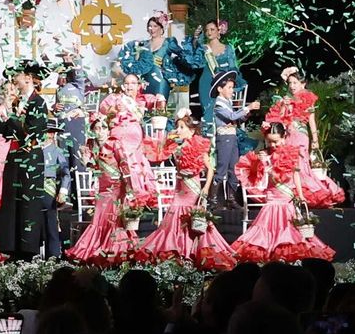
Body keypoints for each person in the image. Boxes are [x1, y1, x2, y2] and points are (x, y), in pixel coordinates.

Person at [136, 110, 238, 270]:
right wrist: (168, 139)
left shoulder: (199, 145)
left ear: (191, 130)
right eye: (178, 127)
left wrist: (205, 188)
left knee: (194, 221)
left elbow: (210, 169)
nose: (178, 130)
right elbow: (158, 154)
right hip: (179, 190)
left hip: (193, 189)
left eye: (182, 127)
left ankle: (192, 253)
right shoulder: (177, 147)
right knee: (174, 220)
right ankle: (176, 252)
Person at [232, 122, 336, 263]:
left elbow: (296, 176)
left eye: (276, 141)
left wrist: (300, 195)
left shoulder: (292, 153)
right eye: (269, 142)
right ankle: (270, 256)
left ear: (284, 137)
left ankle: (286, 258)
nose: (273, 145)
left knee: (290, 229)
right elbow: (258, 178)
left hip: (286, 198)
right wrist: (261, 162)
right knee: (266, 229)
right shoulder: (263, 155)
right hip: (272, 199)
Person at [0, 60, 50, 259]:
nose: (14, 79)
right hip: (15, 157)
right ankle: (12, 248)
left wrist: (9, 118)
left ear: (28, 77)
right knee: (11, 202)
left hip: (30, 158)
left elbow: (29, 132)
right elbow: (9, 133)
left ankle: (27, 250)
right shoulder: (17, 102)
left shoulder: (38, 102)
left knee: (28, 204)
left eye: (17, 74)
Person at [267, 66, 345, 207]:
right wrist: (284, 107)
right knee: (289, 163)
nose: (292, 86)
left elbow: (311, 120)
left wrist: (315, 139)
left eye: (295, 83)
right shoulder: (285, 100)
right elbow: (279, 120)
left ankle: (304, 193)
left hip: (301, 135)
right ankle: (291, 192)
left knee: (301, 164)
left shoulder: (308, 99)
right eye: (290, 83)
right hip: (288, 136)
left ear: (303, 84)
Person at [67, 115, 134, 266]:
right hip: (103, 188)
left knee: (115, 220)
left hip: (117, 188)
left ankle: (117, 251)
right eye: (97, 128)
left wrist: (129, 188)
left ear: (109, 130)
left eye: (103, 128)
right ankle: (98, 250)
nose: (100, 132)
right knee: (98, 220)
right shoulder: (91, 145)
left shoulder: (115, 144)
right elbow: (97, 170)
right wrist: (88, 164)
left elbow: (125, 166)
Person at [97, 72, 161, 205]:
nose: (129, 86)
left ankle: (137, 195)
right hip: (118, 137)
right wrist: (114, 109)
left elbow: (160, 106)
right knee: (123, 163)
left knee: (136, 164)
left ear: (139, 85)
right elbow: (102, 108)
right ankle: (124, 193)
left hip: (135, 138)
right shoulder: (116, 98)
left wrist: (161, 99)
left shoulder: (144, 99)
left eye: (133, 83)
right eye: (126, 83)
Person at [182, 19, 245, 134]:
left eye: (212, 29)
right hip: (206, 83)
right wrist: (195, 39)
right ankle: (209, 137)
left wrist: (228, 83)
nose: (209, 32)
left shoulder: (228, 48)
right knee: (207, 111)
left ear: (219, 31)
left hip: (223, 84)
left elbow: (233, 68)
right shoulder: (203, 48)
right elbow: (193, 61)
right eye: (207, 30)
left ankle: (223, 136)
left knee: (223, 112)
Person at [210, 69, 259, 207]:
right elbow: (231, 117)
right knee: (222, 168)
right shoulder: (219, 104)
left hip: (232, 138)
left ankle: (231, 198)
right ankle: (213, 199)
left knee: (234, 168)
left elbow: (237, 119)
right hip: (224, 139)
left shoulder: (228, 103)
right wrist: (248, 107)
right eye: (229, 87)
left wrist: (247, 113)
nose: (232, 90)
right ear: (220, 89)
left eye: (232, 87)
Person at [116, 12, 186, 99]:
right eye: (150, 26)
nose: (152, 29)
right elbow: (131, 57)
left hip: (161, 80)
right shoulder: (143, 44)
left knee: (159, 105)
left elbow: (184, 56)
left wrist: (170, 66)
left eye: (155, 26)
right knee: (144, 105)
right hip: (145, 80)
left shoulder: (168, 43)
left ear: (161, 27)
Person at [36, 118, 70, 258]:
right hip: (33, 191)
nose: (49, 135)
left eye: (51, 132)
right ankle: (32, 258)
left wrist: (63, 191)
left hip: (49, 191)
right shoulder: (33, 149)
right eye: (46, 132)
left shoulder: (57, 151)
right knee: (34, 226)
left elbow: (65, 173)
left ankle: (53, 258)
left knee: (51, 226)